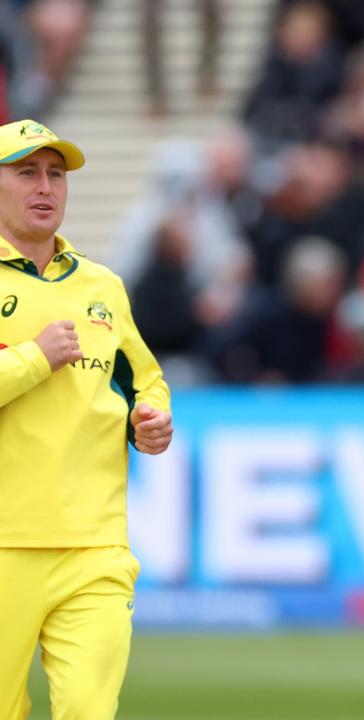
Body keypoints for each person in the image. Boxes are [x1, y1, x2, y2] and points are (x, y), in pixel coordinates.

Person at [0, 119, 172, 719]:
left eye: (55, 174)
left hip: (96, 547)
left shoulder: (104, 286)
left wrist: (152, 421)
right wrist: (31, 360)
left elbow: (143, 378)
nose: (44, 186)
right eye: (26, 172)